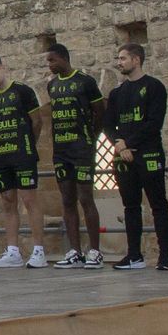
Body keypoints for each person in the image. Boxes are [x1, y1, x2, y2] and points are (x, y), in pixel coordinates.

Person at [105, 44, 168, 270]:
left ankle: (164, 256)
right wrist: (119, 144)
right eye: (118, 58)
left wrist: (129, 143)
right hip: (124, 157)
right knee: (130, 206)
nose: (119, 62)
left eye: (123, 58)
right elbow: (108, 124)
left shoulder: (154, 87)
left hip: (148, 153)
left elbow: (154, 123)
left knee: (158, 204)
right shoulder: (117, 93)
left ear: (136, 60)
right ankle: (134, 255)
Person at [0, 57, 49, 269]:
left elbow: (36, 121)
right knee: (7, 201)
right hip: (2, 155)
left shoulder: (23, 91)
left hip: (22, 154)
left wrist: (27, 144)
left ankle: (39, 250)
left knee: (29, 199)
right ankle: (13, 251)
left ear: (3, 68)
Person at [44, 44, 106, 270]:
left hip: (81, 149)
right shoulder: (52, 85)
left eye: (52, 60)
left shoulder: (85, 82)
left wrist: (91, 137)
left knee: (85, 198)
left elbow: (100, 111)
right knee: (67, 199)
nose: (50, 65)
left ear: (63, 58)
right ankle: (74, 251)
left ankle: (95, 251)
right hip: (61, 150)